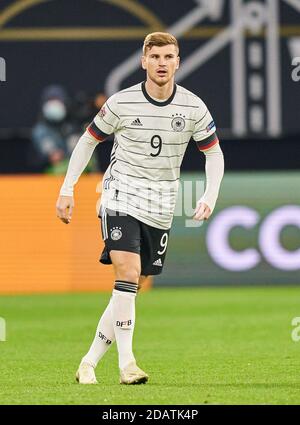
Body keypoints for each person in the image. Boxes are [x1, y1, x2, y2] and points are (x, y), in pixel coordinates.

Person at [56, 32, 224, 385]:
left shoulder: (193, 106)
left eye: (169, 57)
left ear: (178, 62)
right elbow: (88, 140)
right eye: (156, 57)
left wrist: (210, 193)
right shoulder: (121, 102)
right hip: (121, 194)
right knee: (128, 271)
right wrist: (67, 188)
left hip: (161, 204)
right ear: (143, 61)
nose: (162, 63)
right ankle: (127, 364)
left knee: (133, 284)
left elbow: (213, 152)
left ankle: (88, 362)